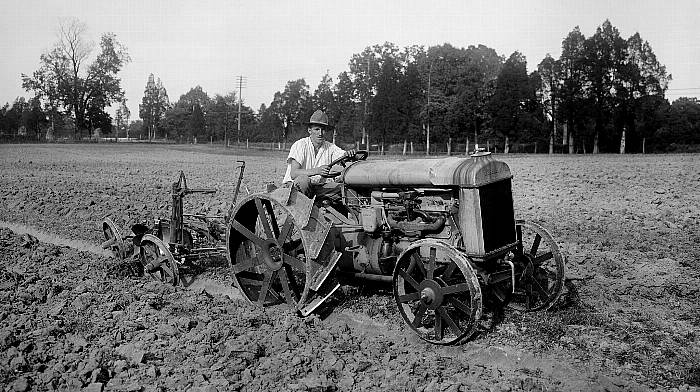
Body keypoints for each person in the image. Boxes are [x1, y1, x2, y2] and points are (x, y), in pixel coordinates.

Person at [282, 109, 356, 201]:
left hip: (316, 187)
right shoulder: (300, 145)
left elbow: (343, 155)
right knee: (303, 180)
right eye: (316, 129)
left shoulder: (330, 147)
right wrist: (317, 171)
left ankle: (351, 214)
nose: (320, 133)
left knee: (344, 188)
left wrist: (350, 154)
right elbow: (294, 173)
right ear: (310, 130)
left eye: (323, 130)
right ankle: (303, 213)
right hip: (294, 187)